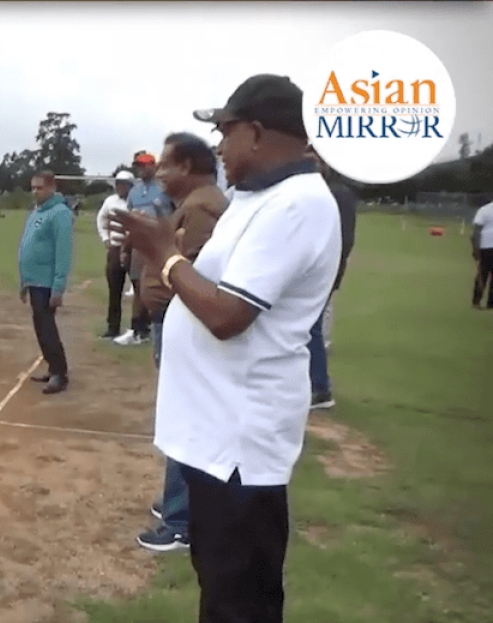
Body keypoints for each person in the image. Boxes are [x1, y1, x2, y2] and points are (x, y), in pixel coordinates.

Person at [110, 73, 341, 622]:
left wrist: (165, 255)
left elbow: (227, 314)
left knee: (239, 603)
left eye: (225, 132)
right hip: (213, 439)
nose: (218, 146)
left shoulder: (297, 205)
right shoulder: (256, 198)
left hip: (240, 449)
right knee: (220, 589)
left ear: (257, 133)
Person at [134, 132, 229, 553]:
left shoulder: (202, 209)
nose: (159, 174)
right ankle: (177, 504)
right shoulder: (192, 207)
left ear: (187, 167)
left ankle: (181, 520)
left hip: (184, 321)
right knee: (180, 417)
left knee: (185, 421)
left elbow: (192, 277)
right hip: (171, 319)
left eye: (166, 166)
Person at [304, 145, 358, 409]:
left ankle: (320, 388)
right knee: (307, 326)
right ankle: (314, 384)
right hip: (319, 268)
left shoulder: (336, 194)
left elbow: (343, 238)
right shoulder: (319, 191)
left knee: (310, 328)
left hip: (324, 269)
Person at [18, 170, 74, 395]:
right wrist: (24, 282)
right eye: (32, 187)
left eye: (39, 187)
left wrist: (58, 286)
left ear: (52, 188)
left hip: (47, 282)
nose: (35, 192)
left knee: (47, 328)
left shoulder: (60, 213)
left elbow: (63, 252)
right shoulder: (37, 211)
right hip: (33, 281)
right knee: (40, 328)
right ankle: (53, 368)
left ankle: (60, 373)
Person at [116, 151, 171, 346]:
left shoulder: (165, 189)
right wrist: (125, 247)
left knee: (157, 287)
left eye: (145, 165)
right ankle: (137, 328)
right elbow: (131, 221)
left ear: (153, 166)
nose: (141, 169)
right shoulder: (135, 192)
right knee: (138, 285)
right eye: (138, 166)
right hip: (139, 244)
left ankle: (155, 326)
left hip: (159, 244)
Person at [96, 171, 136, 338]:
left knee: (140, 290)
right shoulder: (110, 202)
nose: (120, 187)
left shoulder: (136, 201)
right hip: (115, 248)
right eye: (118, 183)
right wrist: (105, 238)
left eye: (124, 184)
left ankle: (138, 328)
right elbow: (101, 219)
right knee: (114, 289)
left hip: (135, 250)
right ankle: (113, 327)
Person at [470, 198, 493, 309]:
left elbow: (476, 231)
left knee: (482, 274)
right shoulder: (484, 210)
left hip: (485, 246)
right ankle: (491, 303)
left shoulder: (484, 210)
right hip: (487, 246)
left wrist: (475, 248)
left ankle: (476, 301)